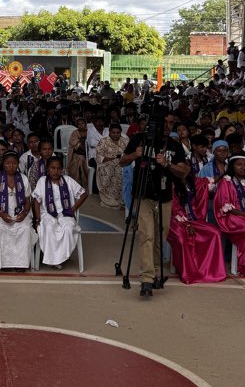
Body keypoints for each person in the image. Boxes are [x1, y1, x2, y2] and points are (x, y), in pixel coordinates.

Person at [123, 122, 190, 296]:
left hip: (164, 197)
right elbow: (122, 161)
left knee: (160, 237)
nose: (166, 127)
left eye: (169, 123)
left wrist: (167, 164)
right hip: (143, 195)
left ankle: (154, 269)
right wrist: (134, 155)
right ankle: (146, 278)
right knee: (147, 235)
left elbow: (183, 172)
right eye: (163, 123)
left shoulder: (174, 145)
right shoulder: (139, 139)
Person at [170, 168, 226, 284]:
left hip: (195, 219)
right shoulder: (171, 184)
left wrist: (222, 173)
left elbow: (210, 182)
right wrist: (186, 223)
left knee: (215, 233)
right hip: (176, 221)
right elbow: (174, 207)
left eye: (184, 166)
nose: (182, 169)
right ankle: (187, 272)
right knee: (182, 238)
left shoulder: (195, 182)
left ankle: (210, 270)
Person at [33, 155, 86, 269]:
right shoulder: (42, 181)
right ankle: (53, 259)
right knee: (48, 227)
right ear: (48, 169)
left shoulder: (67, 180)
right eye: (52, 168)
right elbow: (36, 201)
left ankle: (61, 257)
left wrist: (73, 208)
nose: (55, 171)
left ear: (62, 169)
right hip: (47, 213)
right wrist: (37, 219)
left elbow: (84, 194)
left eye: (58, 168)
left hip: (65, 213)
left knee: (68, 228)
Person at [0, 151, 35, 272]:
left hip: (20, 213)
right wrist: (1, 213)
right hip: (0, 213)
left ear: (18, 164)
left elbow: (28, 201)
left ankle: (21, 263)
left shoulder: (23, 178)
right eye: (8, 163)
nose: (11, 166)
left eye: (14, 163)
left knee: (25, 229)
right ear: (3, 164)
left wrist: (24, 213)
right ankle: (3, 263)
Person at [94, 123, 127, 209]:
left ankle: (122, 199)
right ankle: (110, 200)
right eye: (113, 132)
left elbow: (129, 154)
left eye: (118, 132)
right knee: (110, 170)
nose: (115, 134)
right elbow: (99, 156)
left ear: (121, 132)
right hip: (106, 164)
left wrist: (121, 160)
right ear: (109, 132)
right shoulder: (104, 141)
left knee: (123, 170)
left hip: (122, 163)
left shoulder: (125, 141)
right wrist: (112, 159)